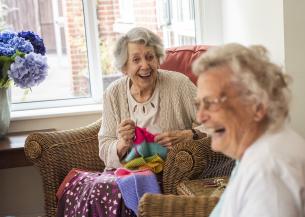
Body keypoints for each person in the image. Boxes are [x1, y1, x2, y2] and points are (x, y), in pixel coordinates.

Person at [56, 27, 206, 217]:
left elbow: (217, 122)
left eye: (150, 57)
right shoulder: (114, 93)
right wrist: (121, 144)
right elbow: (104, 146)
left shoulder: (179, 85)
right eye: (136, 60)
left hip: (165, 175)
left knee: (113, 192)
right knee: (85, 188)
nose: (145, 65)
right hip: (122, 174)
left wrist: (188, 135)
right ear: (124, 67)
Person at [192, 43, 305, 217]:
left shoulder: (267, 173)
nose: (200, 117)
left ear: (257, 106)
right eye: (199, 104)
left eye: (211, 103)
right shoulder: (259, 150)